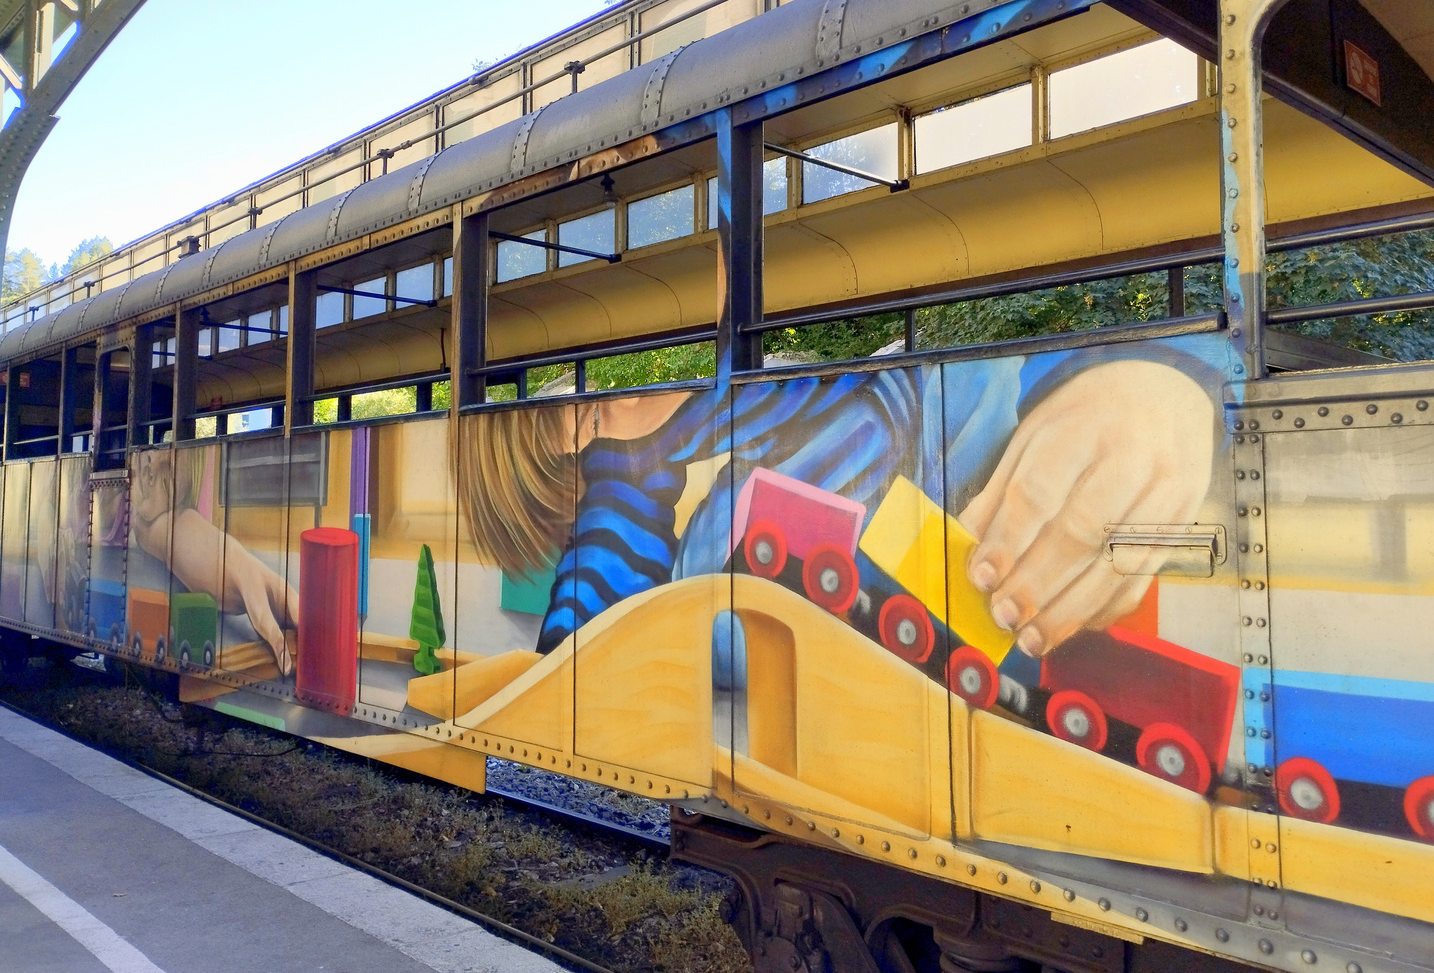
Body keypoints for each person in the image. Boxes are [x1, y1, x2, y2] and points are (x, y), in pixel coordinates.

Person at [456, 337, 1219, 660]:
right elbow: (593, 619)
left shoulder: (921, 392)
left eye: (595, 403)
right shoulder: (664, 507)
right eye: (590, 434)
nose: (621, 417)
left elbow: (1003, 358)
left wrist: (1161, 376)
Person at [129, 447, 297, 675]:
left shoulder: (175, 514)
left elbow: (179, 529)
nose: (153, 460)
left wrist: (239, 563)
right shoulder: (152, 515)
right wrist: (240, 564)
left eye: (167, 483)